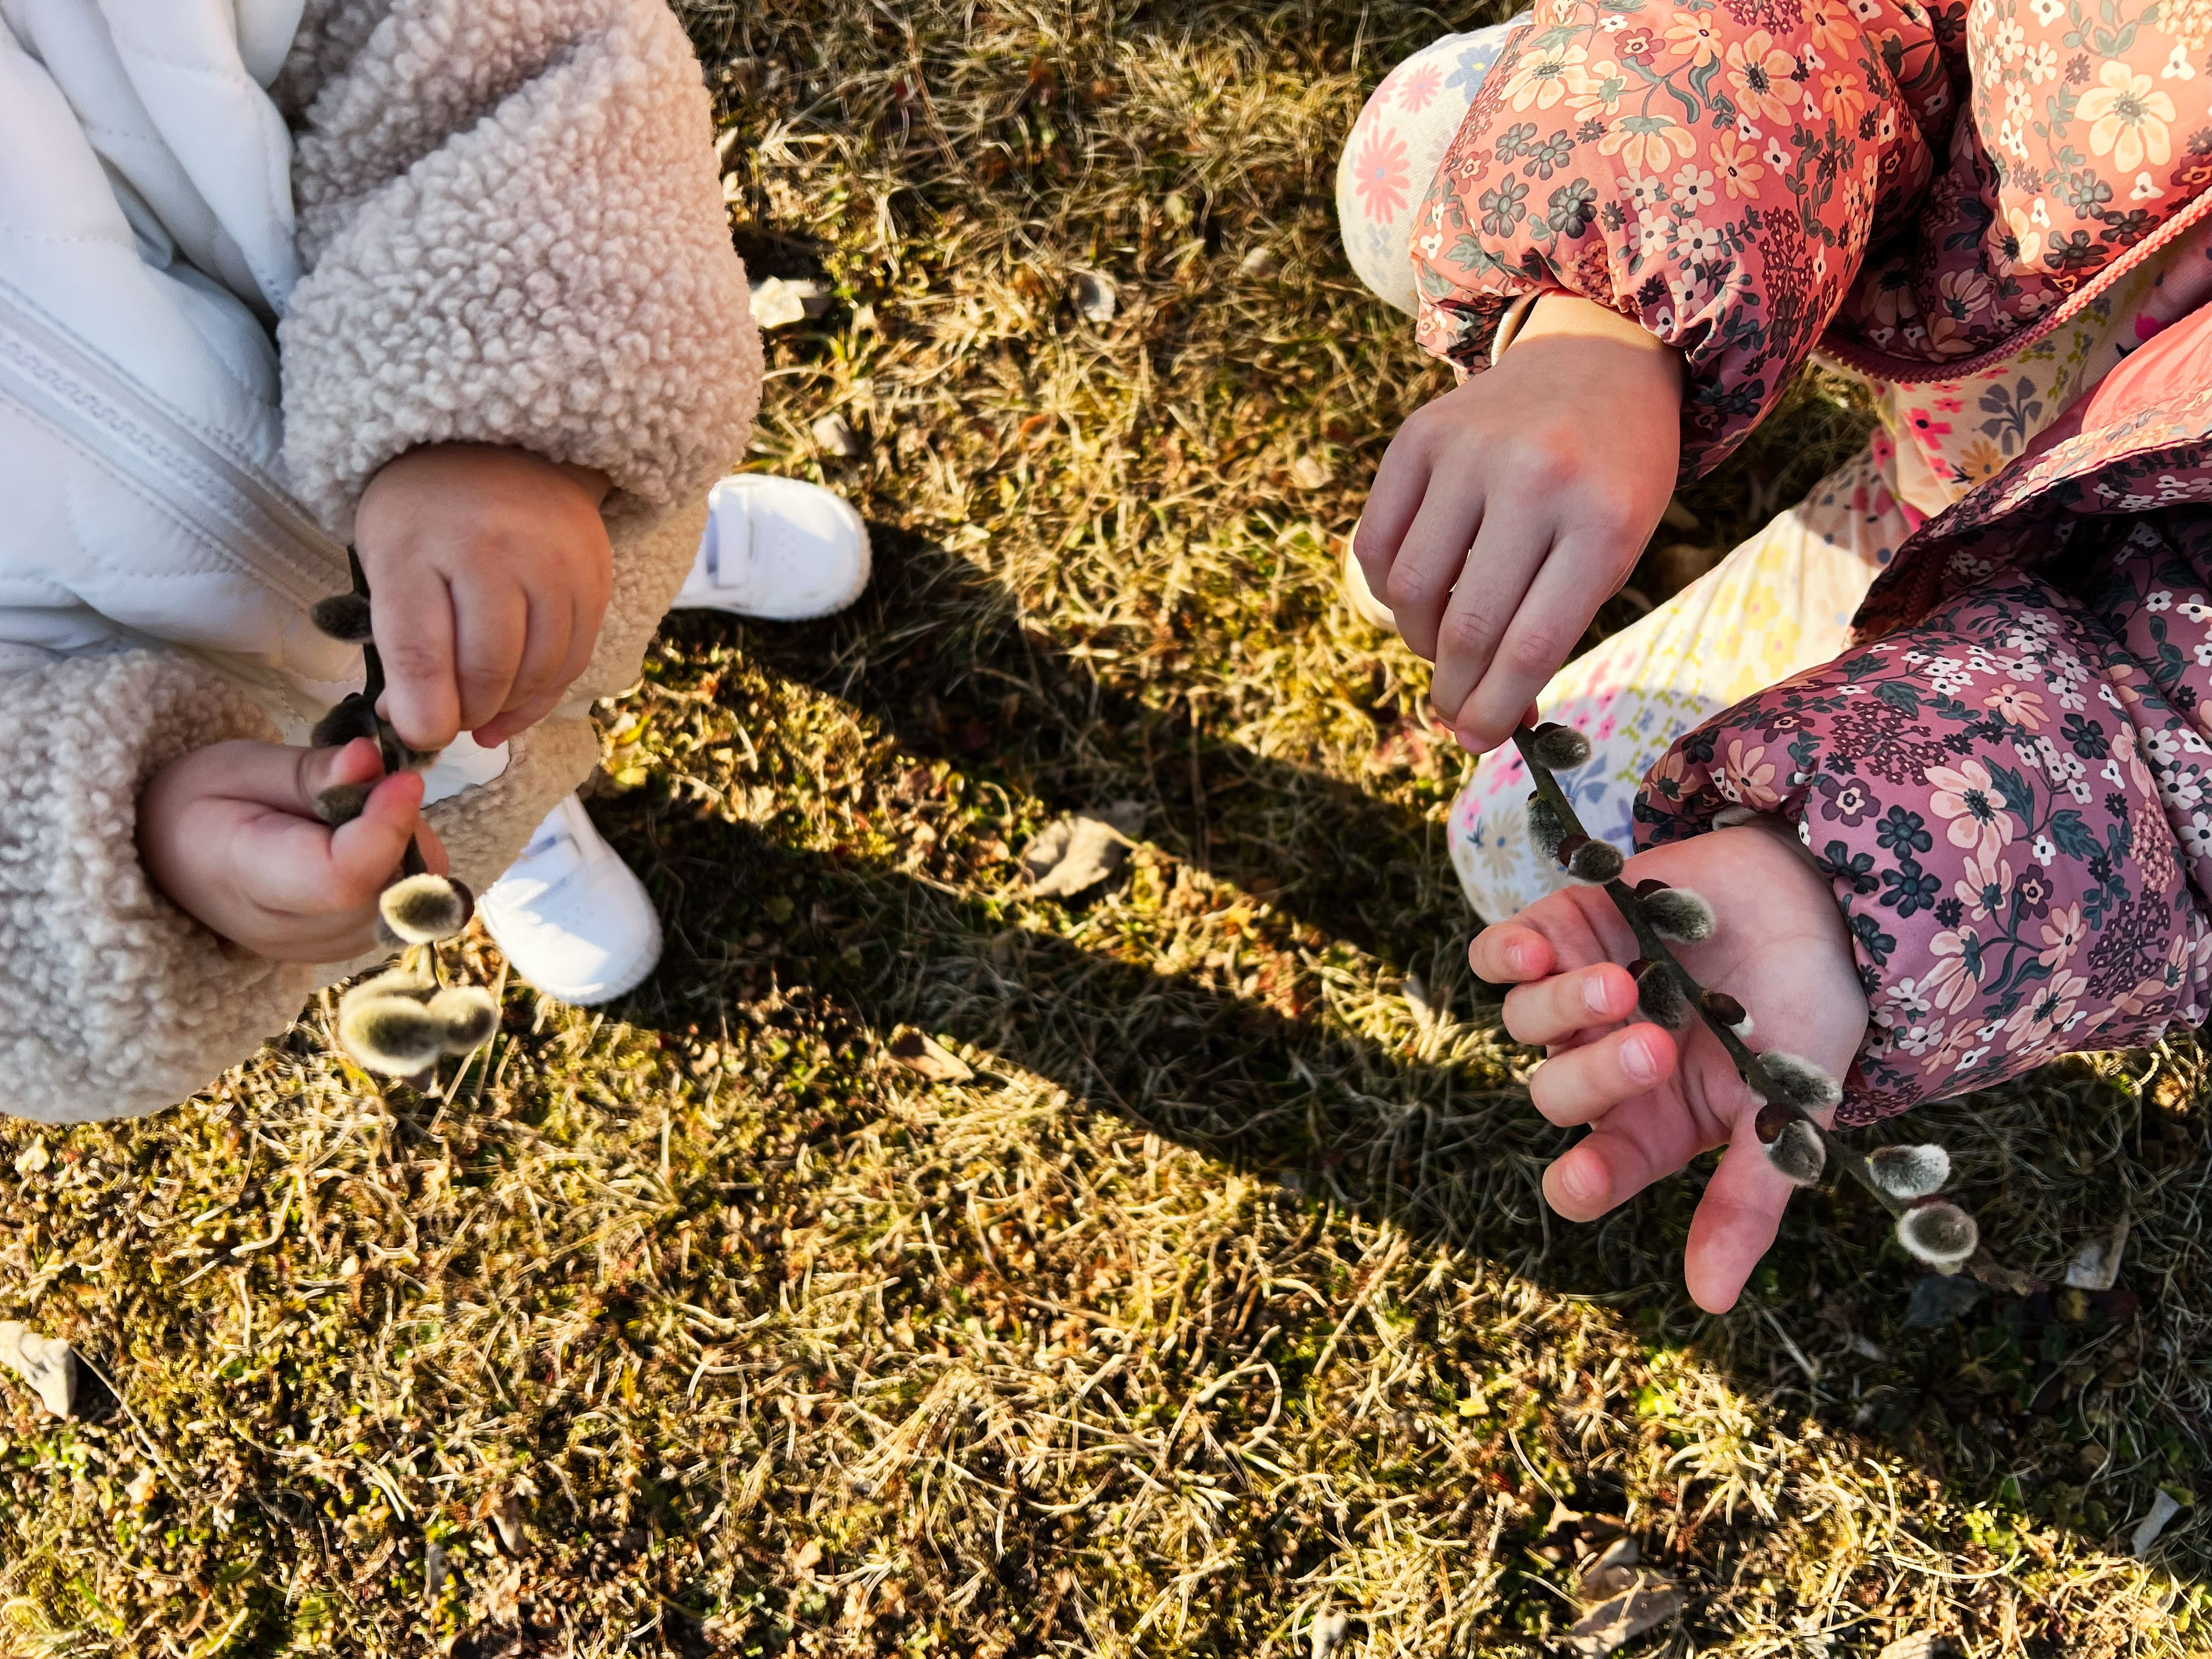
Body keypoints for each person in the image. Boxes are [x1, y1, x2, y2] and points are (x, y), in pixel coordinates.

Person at [1339, 0, 2210, 1308]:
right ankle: (1713, 434)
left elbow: (2178, 733)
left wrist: (1867, 876)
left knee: (1525, 837)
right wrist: (1603, 314)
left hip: (2097, 608)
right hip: (1969, 407)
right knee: (1421, 143)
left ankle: (1866, 551)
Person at [0, 0, 858, 1121]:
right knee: (449, 778)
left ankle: (639, 556)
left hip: (535, 459)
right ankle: (508, 830)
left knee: (584, 570)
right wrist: (128, 843)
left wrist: (498, 418)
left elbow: (476, 37)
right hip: (273, 760)